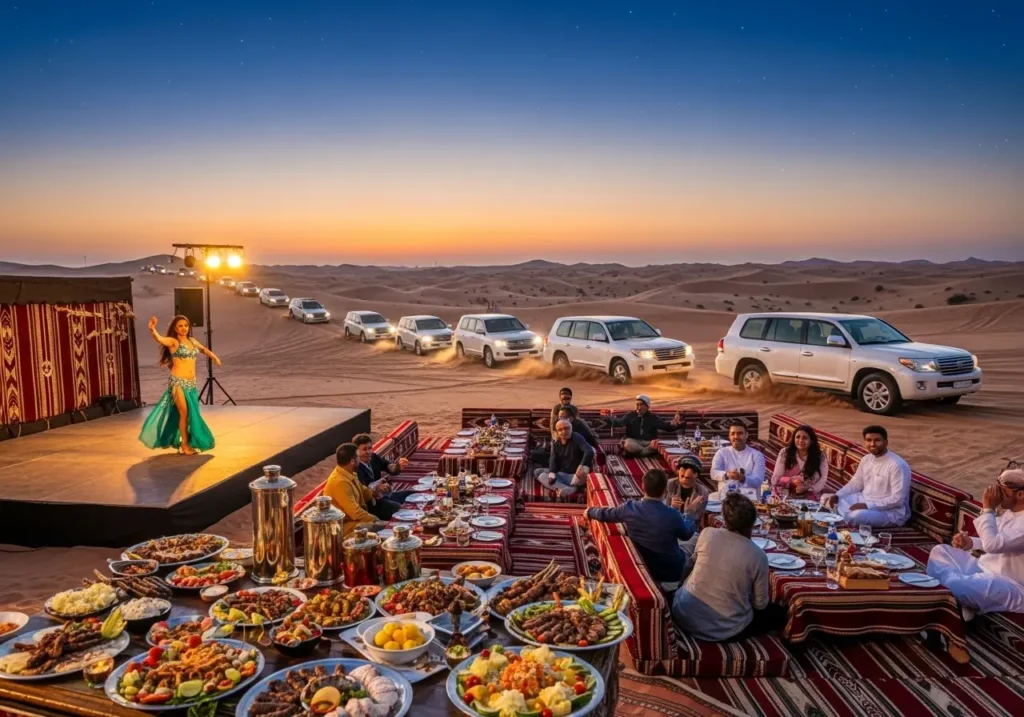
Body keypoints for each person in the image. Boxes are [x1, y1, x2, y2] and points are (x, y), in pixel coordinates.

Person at [926, 467, 1024, 621]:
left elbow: (993, 545)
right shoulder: (1011, 512)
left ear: (1020, 494)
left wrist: (988, 509)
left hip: (1010, 584)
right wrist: (970, 542)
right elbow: (996, 541)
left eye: (1002, 489)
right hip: (984, 567)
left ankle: (956, 593)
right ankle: (962, 599)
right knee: (940, 551)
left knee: (955, 584)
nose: (996, 492)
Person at [671, 493, 771, 642]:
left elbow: (689, 566)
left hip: (683, 611)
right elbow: (760, 605)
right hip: (722, 628)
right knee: (778, 615)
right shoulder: (758, 556)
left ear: (725, 518)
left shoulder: (707, 533)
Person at [586, 469, 697, 585]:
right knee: (697, 539)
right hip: (672, 571)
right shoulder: (673, 515)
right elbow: (686, 535)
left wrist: (589, 511)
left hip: (648, 563)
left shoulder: (629, 508)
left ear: (642, 486)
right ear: (665, 490)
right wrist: (689, 514)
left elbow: (606, 514)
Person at [139, 315, 220, 455]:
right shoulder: (173, 342)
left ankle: (185, 440)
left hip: (191, 384)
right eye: (180, 326)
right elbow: (160, 339)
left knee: (190, 415)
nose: (183, 328)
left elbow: (204, 349)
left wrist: (215, 358)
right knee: (184, 413)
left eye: (186, 326)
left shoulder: (192, 341)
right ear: (175, 329)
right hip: (178, 383)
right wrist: (152, 329)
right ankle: (185, 445)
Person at [824, 425, 910, 528]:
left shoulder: (897, 465)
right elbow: (856, 483)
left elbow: (897, 499)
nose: (872, 444)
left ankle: (840, 518)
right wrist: (838, 495)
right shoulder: (867, 459)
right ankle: (841, 516)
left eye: (877, 440)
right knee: (827, 498)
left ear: (886, 442)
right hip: (864, 499)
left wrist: (867, 505)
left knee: (857, 515)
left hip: (890, 512)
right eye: (868, 440)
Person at [323, 443, 393, 538]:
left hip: (357, 519)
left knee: (388, 520)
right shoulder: (340, 482)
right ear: (352, 461)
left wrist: (375, 492)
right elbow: (355, 513)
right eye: (358, 458)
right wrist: (375, 520)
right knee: (386, 528)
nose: (360, 460)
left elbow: (363, 491)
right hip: (344, 527)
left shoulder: (350, 473)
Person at [353, 434, 413, 520]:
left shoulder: (373, 457)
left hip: (384, 496)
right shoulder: (355, 468)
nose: (368, 452)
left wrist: (398, 466)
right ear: (356, 451)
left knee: (412, 494)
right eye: (364, 449)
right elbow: (363, 492)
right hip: (372, 505)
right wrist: (377, 488)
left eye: (370, 448)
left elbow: (388, 467)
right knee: (401, 509)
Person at [604, 395, 682, 457]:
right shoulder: (631, 415)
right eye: (637, 405)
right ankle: (645, 453)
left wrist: (676, 423)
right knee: (628, 444)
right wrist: (606, 419)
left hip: (648, 442)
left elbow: (666, 426)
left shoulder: (653, 417)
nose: (638, 407)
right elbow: (619, 422)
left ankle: (637, 454)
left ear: (647, 406)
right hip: (633, 441)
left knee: (656, 444)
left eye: (641, 405)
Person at [533, 419, 595, 497]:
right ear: (557, 432)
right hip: (561, 474)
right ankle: (568, 488)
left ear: (571, 428)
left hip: (575, 476)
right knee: (537, 472)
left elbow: (589, 450)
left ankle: (568, 488)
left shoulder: (577, 437)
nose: (564, 431)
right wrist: (552, 472)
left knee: (541, 476)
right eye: (560, 430)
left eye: (566, 428)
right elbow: (553, 459)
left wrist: (582, 465)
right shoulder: (555, 442)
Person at [771, 425, 829, 497]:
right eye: (798, 437)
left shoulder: (820, 456)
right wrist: (791, 481)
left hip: (810, 495)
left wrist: (809, 489)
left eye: (805, 438)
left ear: (811, 441)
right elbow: (777, 478)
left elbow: (823, 479)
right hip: (785, 493)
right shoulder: (785, 452)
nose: (800, 440)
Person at [710, 421, 766, 491]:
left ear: (746, 435)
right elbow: (713, 473)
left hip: (749, 497)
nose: (736, 437)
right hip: (726, 496)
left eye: (740, 433)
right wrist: (727, 475)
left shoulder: (757, 455)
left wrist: (743, 478)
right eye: (733, 434)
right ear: (729, 436)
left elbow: (758, 480)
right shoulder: (722, 452)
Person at [665, 455, 710, 525]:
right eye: (682, 469)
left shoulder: (702, 492)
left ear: (696, 474)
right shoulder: (669, 484)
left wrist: (689, 511)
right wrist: (671, 508)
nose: (684, 471)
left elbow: (696, 518)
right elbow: (659, 510)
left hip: (689, 528)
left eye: (689, 469)